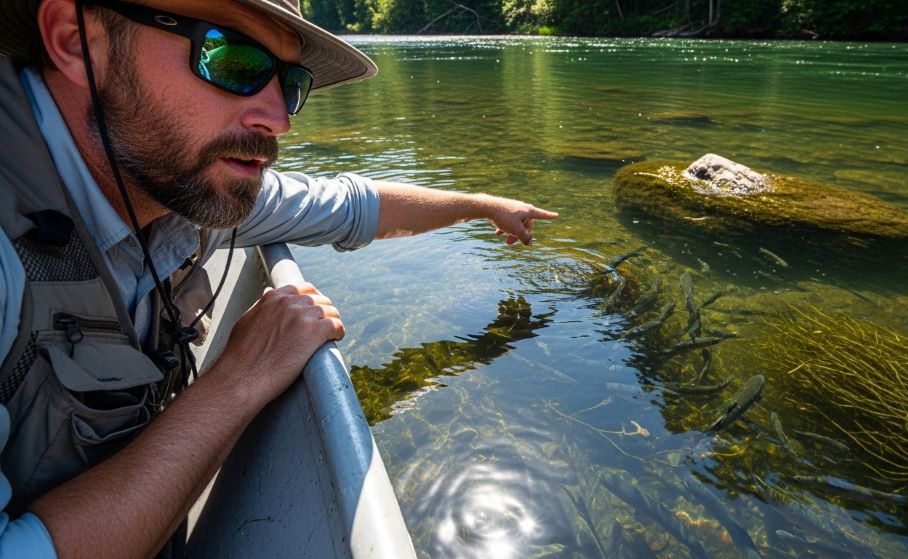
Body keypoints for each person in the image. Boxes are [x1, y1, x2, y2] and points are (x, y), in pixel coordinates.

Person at [0, 0, 559, 556]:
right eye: (234, 60)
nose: (280, 118)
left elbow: (347, 206)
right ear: (76, 41)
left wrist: (483, 205)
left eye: (290, 83)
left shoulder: (177, 183)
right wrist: (240, 377)